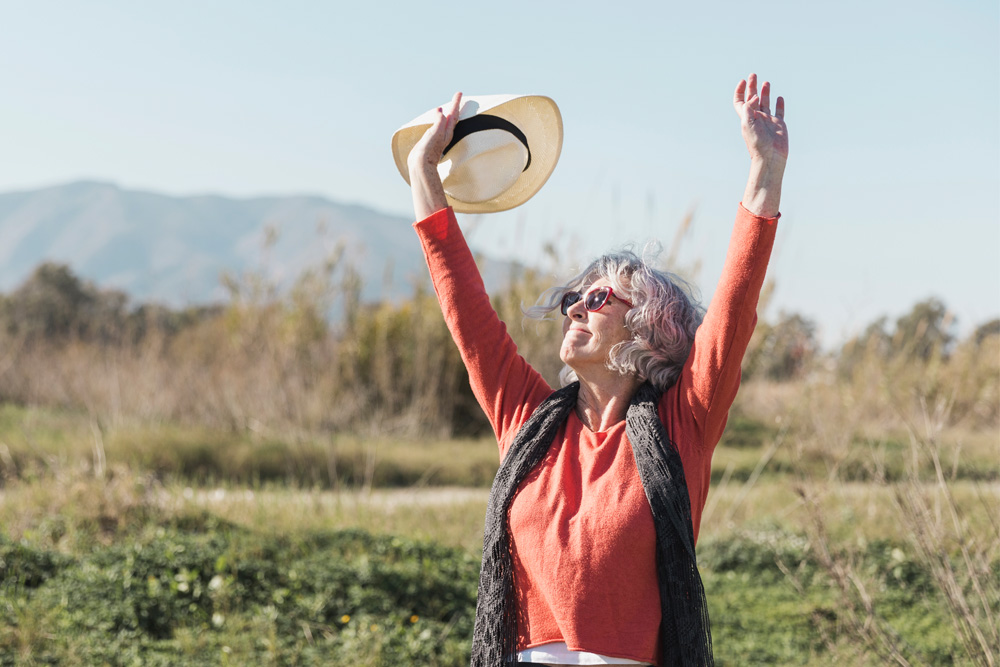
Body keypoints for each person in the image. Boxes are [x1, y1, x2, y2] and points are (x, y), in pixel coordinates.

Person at [405, 74, 788, 667]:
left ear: (650, 328)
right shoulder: (529, 423)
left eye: (600, 298)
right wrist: (426, 175)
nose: (576, 307)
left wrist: (765, 171)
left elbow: (733, 314)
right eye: (572, 300)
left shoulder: (682, 424)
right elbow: (467, 315)